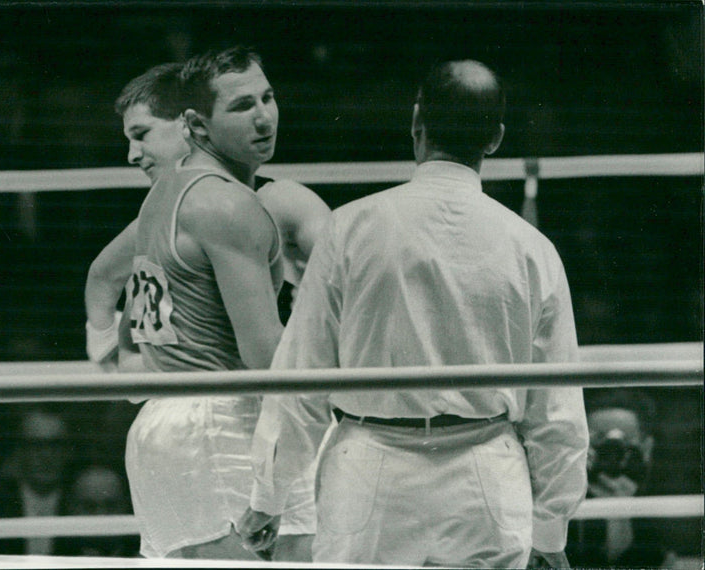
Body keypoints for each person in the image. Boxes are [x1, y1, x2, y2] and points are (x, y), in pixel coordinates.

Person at [238, 59, 589, 568]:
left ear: (416, 123)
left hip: (370, 472)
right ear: (495, 139)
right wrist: (552, 532)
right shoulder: (531, 248)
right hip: (486, 474)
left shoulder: (350, 229)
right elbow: (558, 411)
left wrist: (267, 497)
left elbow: (301, 375)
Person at [84, 48, 328, 561]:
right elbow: (267, 360)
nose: (264, 117)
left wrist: (119, 366)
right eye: (242, 106)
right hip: (224, 427)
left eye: (268, 97)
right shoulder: (227, 203)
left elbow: (105, 281)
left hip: (166, 426)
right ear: (198, 124)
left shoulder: (162, 195)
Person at [567, 389, 673, 568]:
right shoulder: (558, 498)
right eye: (599, 439)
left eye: (625, 441)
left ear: (646, 448)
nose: (612, 450)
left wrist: (620, 511)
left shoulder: (667, 501)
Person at [0, 405, 73, 556]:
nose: (47, 456)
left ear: (68, 451)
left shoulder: (80, 504)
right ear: (20, 451)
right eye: (36, 446)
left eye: (55, 445)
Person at [56, 464, 139, 558]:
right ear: (71, 509)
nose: (101, 514)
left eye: (111, 506)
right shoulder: (48, 563)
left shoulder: (147, 563)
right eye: (89, 507)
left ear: (126, 506)